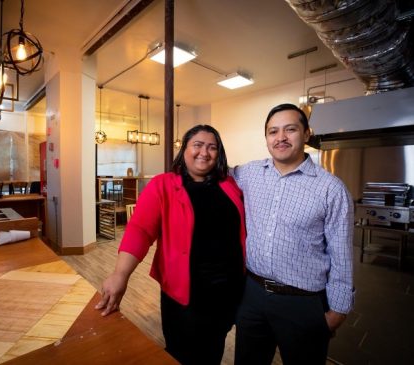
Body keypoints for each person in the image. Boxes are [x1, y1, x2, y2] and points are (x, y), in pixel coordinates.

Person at [96, 124, 247, 365]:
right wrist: (120, 275)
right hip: (185, 295)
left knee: (213, 349)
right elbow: (140, 230)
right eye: (197, 145)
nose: (204, 152)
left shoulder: (230, 185)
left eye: (212, 147)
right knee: (181, 353)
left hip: (228, 293)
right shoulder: (163, 185)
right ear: (184, 150)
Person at [231, 103, 354, 365]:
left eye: (290, 129)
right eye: (273, 131)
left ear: (307, 133)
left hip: (303, 303)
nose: (281, 137)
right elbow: (208, 172)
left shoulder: (331, 189)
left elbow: (341, 253)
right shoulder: (248, 173)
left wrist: (338, 311)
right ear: (266, 138)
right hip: (252, 294)